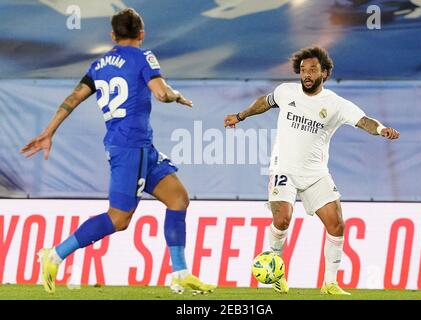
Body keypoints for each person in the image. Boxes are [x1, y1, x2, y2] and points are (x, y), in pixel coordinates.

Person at [20, 8, 215, 295]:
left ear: (113, 36)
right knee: (119, 219)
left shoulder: (99, 65)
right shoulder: (144, 56)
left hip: (139, 146)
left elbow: (74, 97)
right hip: (130, 146)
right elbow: (161, 93)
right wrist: (175, 95)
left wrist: (49, 131)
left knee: (178, 198)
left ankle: (180, 273)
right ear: (142, 34)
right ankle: (55, 255)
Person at [224, 46, 399, 295]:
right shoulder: (286, 92)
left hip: (316, 174)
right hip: (283, 168)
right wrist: (240, 116)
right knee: (282, 218)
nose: (306, 74)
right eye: (303, 70)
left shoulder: (336, 104)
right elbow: (265, 102)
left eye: (313, 70)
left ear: (325, 74)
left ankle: (329, 283)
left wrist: (381, 130)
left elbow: (364, 121)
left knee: (336, 224)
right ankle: (276, 272)